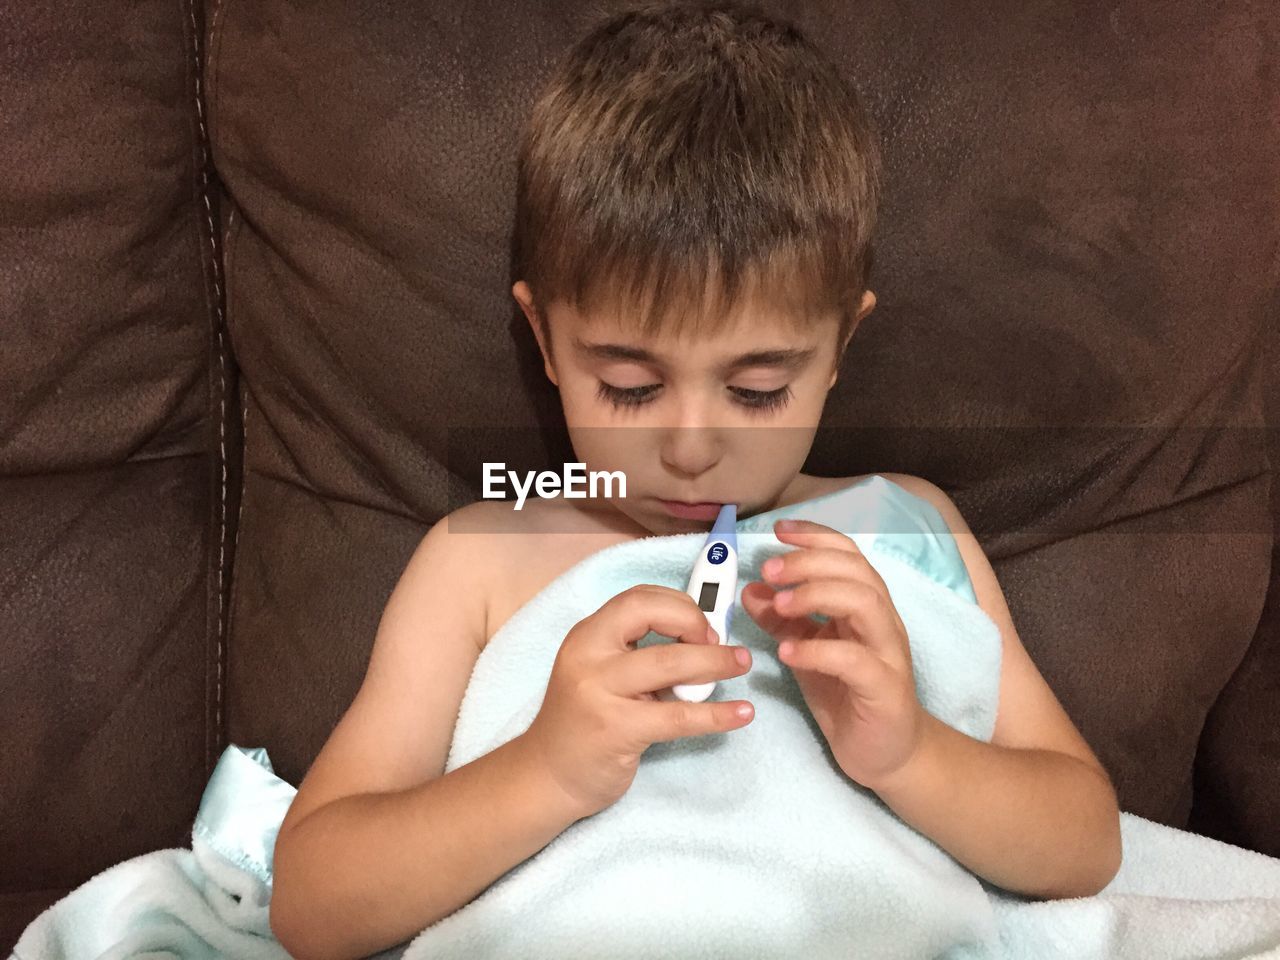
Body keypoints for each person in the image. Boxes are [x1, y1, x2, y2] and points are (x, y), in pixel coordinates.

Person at [269, 3, 1122, 958]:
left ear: (840, 348)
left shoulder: (907, 525)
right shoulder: (486, 556)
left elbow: (1085, 844)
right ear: (544, 338)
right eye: (629, 386)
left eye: (758, 391)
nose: (688, 449)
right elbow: (311, 902)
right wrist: (543, 772)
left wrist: (914, 755)